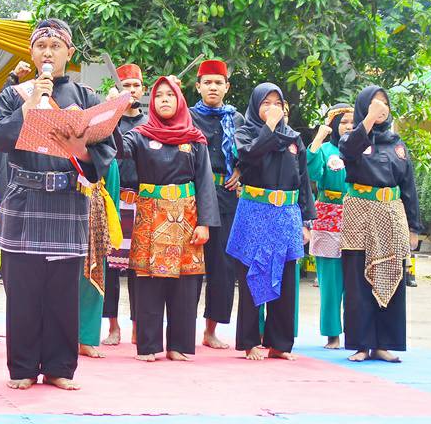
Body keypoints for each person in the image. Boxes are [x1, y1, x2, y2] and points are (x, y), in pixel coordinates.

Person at [0, 18, 115, 391]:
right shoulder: (14, 94)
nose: (47, 52)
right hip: (24, 199)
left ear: (69, 53)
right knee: (23, 289)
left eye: (55, 46)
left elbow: (104, 149)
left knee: (62, 291)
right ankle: (23, 367)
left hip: (67, 200)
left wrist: (81, 149)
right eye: (41, 46)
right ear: (31, 51)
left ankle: (60, 366)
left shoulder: (86, 96)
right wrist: (29, 104)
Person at [120, 76, 217, 361]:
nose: (164, 99)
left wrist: (205, 222)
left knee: (186, 283)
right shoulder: (139, 134)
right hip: (151, 214)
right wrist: (116, 111)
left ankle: (180, 345)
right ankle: (148, 346)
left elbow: (205, 182)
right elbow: (114, 149)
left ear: (179, 100)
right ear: (151, 101)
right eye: (159, 95)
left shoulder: (194, 137)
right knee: (149, 280)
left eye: (170, 95)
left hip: (187, 216)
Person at [227, 83, 314, 360]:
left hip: (286, 213)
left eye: (277, 103)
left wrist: (305, 221)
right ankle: (251, 341)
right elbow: (249, 155)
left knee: (286, 278)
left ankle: (279, 344)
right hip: (255, 211)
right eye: (266, 103)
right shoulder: (245, 133)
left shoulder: (294, 139)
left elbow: (303, 182)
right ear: (255, 106)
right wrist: (270, 128)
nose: (272, 108)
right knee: (253, 275)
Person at [339, 85, 422, 363]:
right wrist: (367, 120)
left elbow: (408, 185)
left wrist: (413, 228)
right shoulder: (353, 138)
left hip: (391, 213)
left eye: (384, 102)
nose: (380, 107)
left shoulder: (396, 143)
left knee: (392, 276)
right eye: (374, 102)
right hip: (360, 215)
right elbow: (349, 152)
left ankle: (384, 344)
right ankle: (362, 345)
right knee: (358, 279)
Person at [189, 59, 244, 349]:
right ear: (198, 86)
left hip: (225, 195)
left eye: (218, 82)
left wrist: (242, 170)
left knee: (222, 267)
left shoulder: (236, 120)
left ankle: (211, 331)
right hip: (192, 196)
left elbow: (251, 152)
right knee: (190, 264)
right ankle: (183, 327)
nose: (213, 87)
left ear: (227, 87)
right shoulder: (186, 116)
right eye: (207, 82)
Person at [102, 63, 148, 347]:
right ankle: (113, 326)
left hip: (142, 201)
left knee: (138, 269)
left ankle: (137, 325)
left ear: (142, 90)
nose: (130, 91)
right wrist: (111, 112)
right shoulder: (109, 119)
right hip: (113, 199)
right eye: (124, 86)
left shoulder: (150, 123)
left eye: (134, 86)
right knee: (109, 267)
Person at [306, 103, 354, 349]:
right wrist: (318, 138)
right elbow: (312, 173)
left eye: (352, 122)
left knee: (356, 276)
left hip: (357, 215)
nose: (348, 126)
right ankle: (332, 333)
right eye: (344, 121)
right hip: (328, 215)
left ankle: (357, 332)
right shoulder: (325, 149)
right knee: (331, 279)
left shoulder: (362, 149)